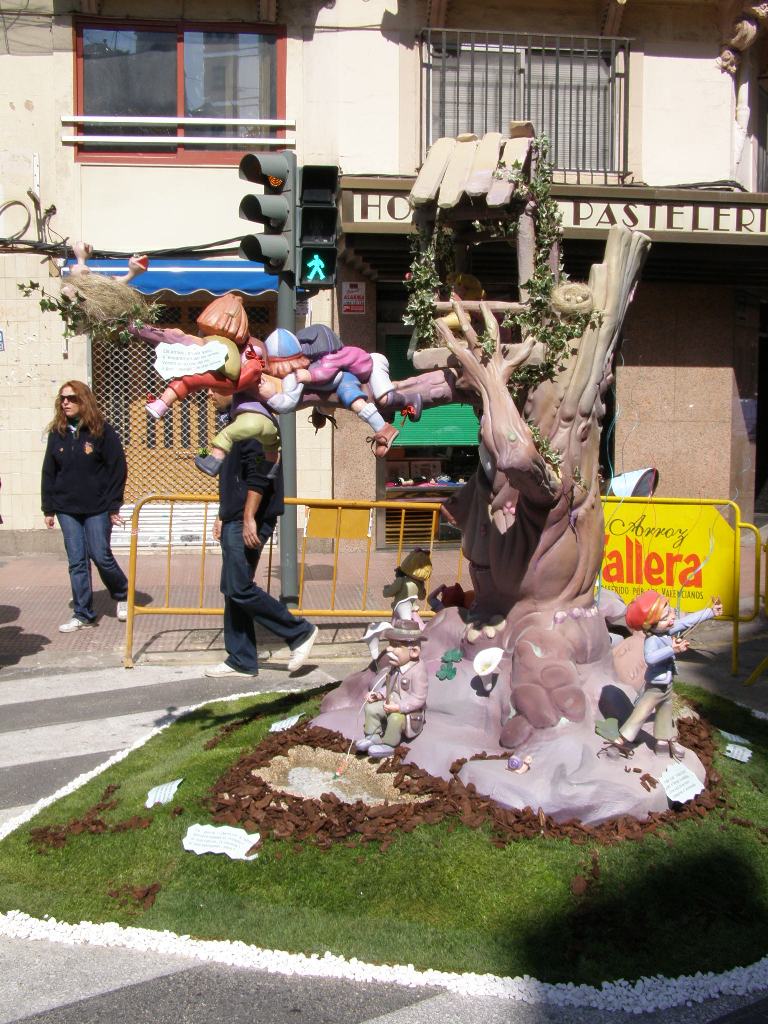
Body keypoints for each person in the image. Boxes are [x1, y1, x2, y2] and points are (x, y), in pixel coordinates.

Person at [204, 389, 318, 679]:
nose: (209, 393)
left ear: (235, 388)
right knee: (233, 589)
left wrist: (247, 518)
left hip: (248, 518)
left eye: (215, 386)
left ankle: (299, 632)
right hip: (235, 516)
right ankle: (241, 659)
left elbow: (260, 474)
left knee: (239, 587)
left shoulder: (254, 421)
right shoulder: (238, 420)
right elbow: (235, 476)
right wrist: (222, 514)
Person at [41, 381, 129, 633]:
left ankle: (122, 593)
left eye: (71, 398)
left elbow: (117, 468)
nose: (65, 403)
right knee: (77, 561)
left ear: (84, 400)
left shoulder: (102, 431)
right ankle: (83, 614)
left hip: (97, 507)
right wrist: (48, 508)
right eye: (62, 399)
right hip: (66, 508)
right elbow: (49, 471)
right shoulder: (57, 432)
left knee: (100, 555)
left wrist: (114, 505)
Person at [612, 590, 723, 760]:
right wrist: (672, 649)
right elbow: (650, 658)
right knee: (642, 711)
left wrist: (710, 612)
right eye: (664, 618)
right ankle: (621, 740)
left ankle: (663, 742)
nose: (671, 618)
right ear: (649, 625)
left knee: (665, 711)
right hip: (656, 686)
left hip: (666, 684)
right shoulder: (652, 640)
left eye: (669, 611)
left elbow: (686, 622)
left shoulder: (665, 631)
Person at [356, 620, 428, 759]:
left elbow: (419, 698)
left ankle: (389, 744)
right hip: (391, 703)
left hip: (407, 712)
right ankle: (373, 736)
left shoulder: (418, 671)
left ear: (414, 651)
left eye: (396, 645)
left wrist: (399, 707)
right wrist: (379, 695)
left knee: (395, 718)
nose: (389, 649)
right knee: (371, 708)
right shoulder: (396, 667)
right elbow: (390, 686)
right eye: (390, 644)